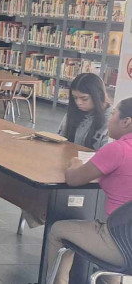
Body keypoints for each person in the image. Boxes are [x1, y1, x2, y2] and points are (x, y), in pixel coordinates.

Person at [45, 97, 132, 284]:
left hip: (116, 243)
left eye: (114, 113)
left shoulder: (118, 149)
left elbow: (74, 179)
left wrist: (74, 164)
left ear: (127, 121)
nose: (109, 119)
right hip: (126, 240)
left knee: (58, 229)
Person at [59, 73, 113, 150]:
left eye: (84, 99)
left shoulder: (110, 118)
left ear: (98, 96)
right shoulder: (73, 111)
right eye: (75, 98)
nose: (78, 103)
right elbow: (60, 137)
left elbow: (106, 153)